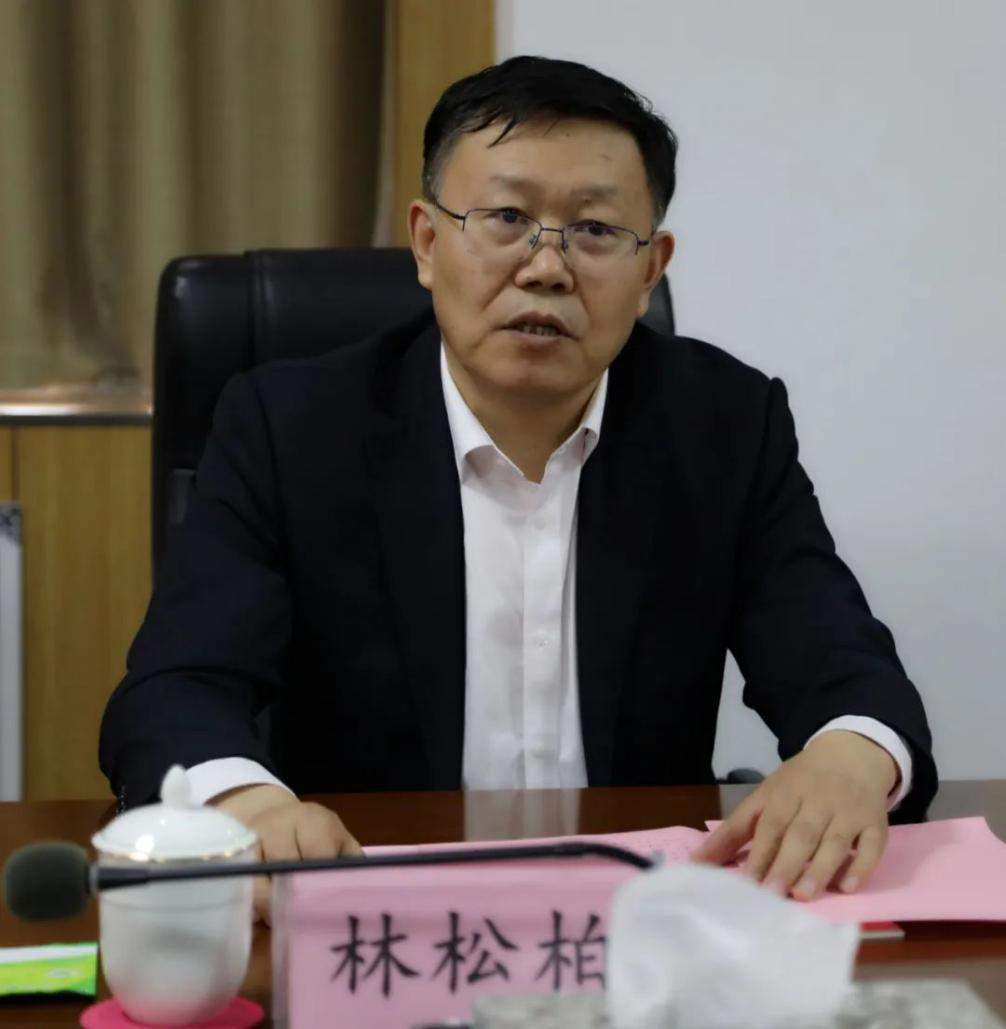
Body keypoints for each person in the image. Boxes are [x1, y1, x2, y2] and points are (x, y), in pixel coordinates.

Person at [100, 56, 935, 921]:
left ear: (651, 271)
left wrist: (849, 758)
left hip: (636, 925)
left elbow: (845, 667)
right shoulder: (292, 427)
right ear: (427, 242)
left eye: (595, 230)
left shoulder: (724, 426)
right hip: (369, 916)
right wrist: (246, 806)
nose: (546, 268)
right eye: (506, 218)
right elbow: (175, 689)